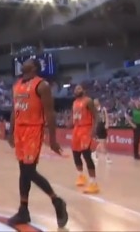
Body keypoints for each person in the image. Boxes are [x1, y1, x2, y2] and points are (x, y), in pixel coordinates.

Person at [7, 58, 69, 228]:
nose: (23, 62)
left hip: (34, 129)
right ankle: (23, 210)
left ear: (34, 67)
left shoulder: (42, 85)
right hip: (20, 130)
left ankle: (57, 201)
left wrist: (53, 139)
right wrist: (10, 131)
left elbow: (50, 113)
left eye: (27, 61)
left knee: (28, 170)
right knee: (23, 170)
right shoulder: (17, 84)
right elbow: (15, 109)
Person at [71, 85, 99, 194]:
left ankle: (93, 183)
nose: (76, 90)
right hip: (76, 129)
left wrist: (94, 129)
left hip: (86, 129)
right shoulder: (74, 103)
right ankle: (81, 176)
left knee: (86, 155)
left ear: (83, 90)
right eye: (75, 88)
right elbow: (74, 116)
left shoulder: (88, 101)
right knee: (75, 154)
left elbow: (96, 115)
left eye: (79, 88)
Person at [93, 99, 112, 164]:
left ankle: (95, 154)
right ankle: (107, 157)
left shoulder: (103, 109)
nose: (95, 103)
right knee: (102, 144)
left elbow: (106, 116)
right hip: (98, 127)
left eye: (96, 101)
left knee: (102, 142)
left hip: (103, 126)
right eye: (94, 102)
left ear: (98, 102)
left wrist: (107, 123)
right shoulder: (94, 111)